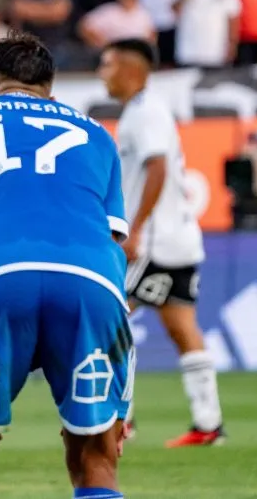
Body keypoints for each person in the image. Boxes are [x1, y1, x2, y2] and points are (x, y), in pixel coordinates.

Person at [0, 33, 133, 499]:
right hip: (92, 279)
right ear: (50, 95)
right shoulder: (96, 135)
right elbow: (114, 243)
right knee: (98, 453)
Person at [98, 38, 225, 447]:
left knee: (107, 318)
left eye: (107, 64)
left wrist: (134, 229)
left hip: (153, 240)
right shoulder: (146, 110)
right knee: (181, 326)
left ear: (130, 70)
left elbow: (157, 168)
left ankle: (121, 420)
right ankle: (209, 424)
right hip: (180, 238)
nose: (103, 73)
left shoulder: (145, 112)